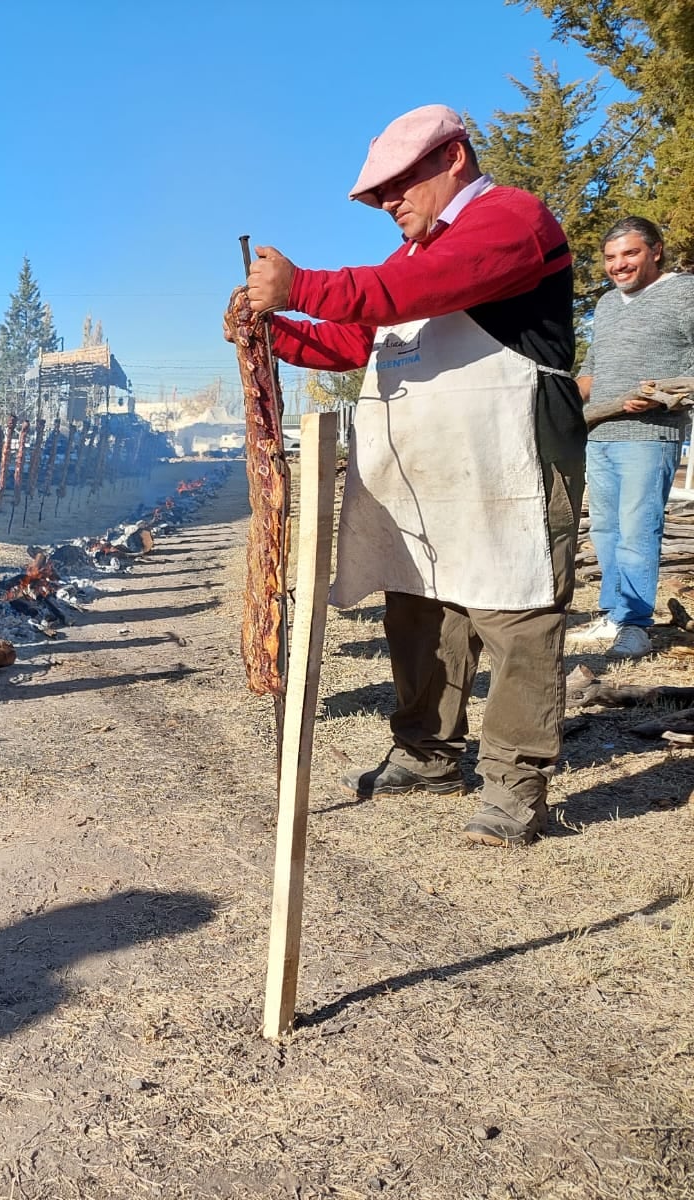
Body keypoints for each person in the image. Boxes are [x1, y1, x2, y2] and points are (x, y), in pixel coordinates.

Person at [243, 103, 585, 847]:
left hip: (509, 453)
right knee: (420, 613)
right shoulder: (410, 259)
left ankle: (513, 787)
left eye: (400, 183)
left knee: (515, 614)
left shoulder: (511, 220)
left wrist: (301, 285)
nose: (389, 202)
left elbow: (412, 292)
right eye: (378, 194)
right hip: (428, 467)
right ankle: (428, 752)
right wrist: (275, 332)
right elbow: (353, 341)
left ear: (454, 158)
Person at [568, 216, 694, 659]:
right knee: (605, 529)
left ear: (655, 251)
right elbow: (590, 369)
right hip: (600, 432)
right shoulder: (604, 305)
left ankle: (637, 626)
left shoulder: (682, 292)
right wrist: (563, 403)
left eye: (630, 253)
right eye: (610, 257)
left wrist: (665, 398)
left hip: (649, 434)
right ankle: (615, 613)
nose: (618, 265)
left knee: (637, 530)